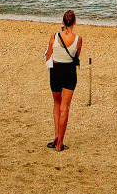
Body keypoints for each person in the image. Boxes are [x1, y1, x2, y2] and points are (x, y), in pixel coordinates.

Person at [44, 9, 82, 151]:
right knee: (65, 108)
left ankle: (56, 136)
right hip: (69, 72)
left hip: (56, 71)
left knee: (56, 104)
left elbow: (48, 56)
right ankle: (60, 143)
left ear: (62, 22)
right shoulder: (78, 39)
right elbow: (76, 56)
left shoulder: (54, 37)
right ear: (74, 22)